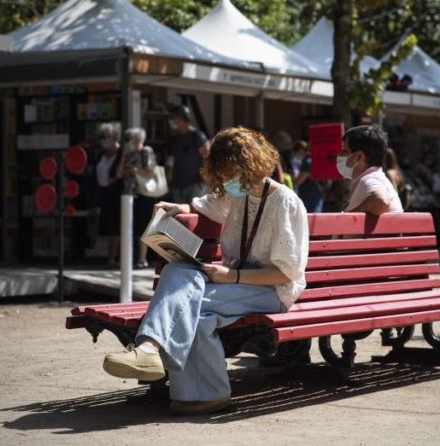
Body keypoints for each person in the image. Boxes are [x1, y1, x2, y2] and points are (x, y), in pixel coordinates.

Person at [101, 127, 308, 415]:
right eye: (222, 175)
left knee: (190, 306)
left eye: (230, 175)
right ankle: (181, 376)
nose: (226, 182)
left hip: (272, 290)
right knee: (179, 274)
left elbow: (286, 274)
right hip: (234, 284)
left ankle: (155, 354)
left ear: (250, 166)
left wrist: (231, 276)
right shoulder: (239, 193)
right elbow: (207, 205)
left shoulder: (284, 202)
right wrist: (179, 207)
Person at [338, 125, 403, 214]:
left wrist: (348, 216)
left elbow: (380, 201)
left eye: (345, 151)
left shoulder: (368, 179)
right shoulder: (375, 176)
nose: (339, 155)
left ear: (359, 156)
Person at [117, 127, 157, 268]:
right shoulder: (129, 154)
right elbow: (118, 174)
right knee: (130, 226)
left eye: (129, 139)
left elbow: (151, 173)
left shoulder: (146, 151)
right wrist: (123, 156)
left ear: (137, 140)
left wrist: (135, 170)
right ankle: (130, 258)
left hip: (143, 194)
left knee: (142, 227)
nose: (127, 142)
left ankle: (142, 258)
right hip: (128, 195)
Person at [165, 105, 209, 204]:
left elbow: (207, 157)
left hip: (195, 185)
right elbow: (171, 161)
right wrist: (169, 177)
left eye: (173, 118)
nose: (172, 121)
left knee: (193, 211)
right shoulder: (175, 139)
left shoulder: (197, 136)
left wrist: (206, 179)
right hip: (177, 186)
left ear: (182, 119)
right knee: (179, 213)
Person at [95, 122, 123, 267]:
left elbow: (120, 174)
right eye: (102, 137)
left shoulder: (122, 153)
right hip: (104, 193)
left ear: (114, 137)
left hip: (116, 193)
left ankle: (112, 257)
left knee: (115, 225)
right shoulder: (101, 154)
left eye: (106, 137)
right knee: (107, 225)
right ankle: (109, 256)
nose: (104, 140)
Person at [292, 140, 323, 212]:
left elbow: (298, 181)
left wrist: (292, 177)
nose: (295, 155)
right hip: (313, 194)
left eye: (295, 153)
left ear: (300, 150)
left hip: (309, 196)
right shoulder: (311, 160)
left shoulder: (307, 163)